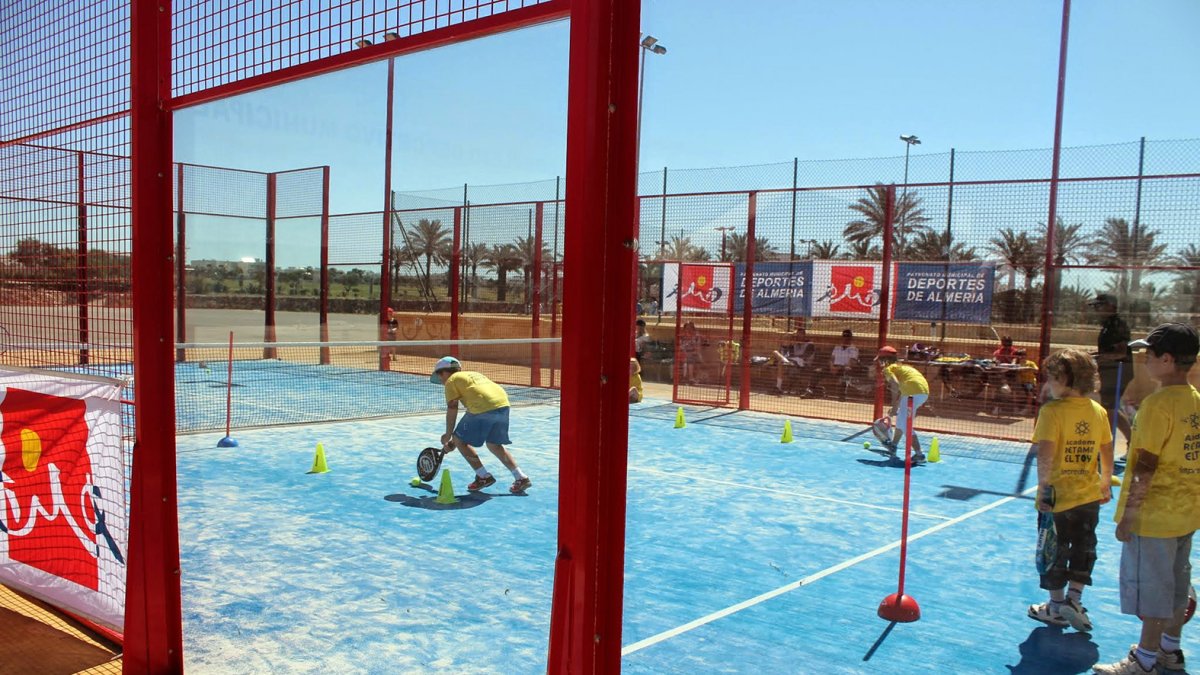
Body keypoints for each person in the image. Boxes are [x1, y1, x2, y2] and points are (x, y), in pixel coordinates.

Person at [1094, 323, 1200, 675]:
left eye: (1149, 354)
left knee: (1154, 590)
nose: (1144, 359)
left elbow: (1146, 465)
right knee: (1176, 585)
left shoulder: (1156, 405)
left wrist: (1129, 515)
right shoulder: (1195, 399)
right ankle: (1169, 650)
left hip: (1154, 516)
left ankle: (1145, 660)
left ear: (1167, 360)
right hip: (1186, 513)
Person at [1025, 349, 1113, 633]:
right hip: (1088, 496)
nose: (1047, 385)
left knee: (1053, 551)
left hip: (1059, 499)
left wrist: (1044, 490)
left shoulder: (1051, 412)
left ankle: (1056, 606)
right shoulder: (1097, 411)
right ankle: (1075, 600)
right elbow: (1107, 449)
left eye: (1051, 378)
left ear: (1064, 379)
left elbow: (1046, 454)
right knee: (1084, 548)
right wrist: (1106, 481)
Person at [430, 356, 532, 493]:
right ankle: (521, 477)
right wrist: (453, 441)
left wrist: (449, 435)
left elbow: (453, 408)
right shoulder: (473, 375)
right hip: (503, 404)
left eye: (439, 375)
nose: (441, 380)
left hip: (482, 408)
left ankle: (483, 476)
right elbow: (480, 398)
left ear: (443, 372)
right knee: (494, 444)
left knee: (460, 440)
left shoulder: (451, 381)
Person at [1091, 293, 1133, 444]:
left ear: (1111, 306)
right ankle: (1130, 441)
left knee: (1109, 409)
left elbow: (1121, 352)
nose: (1096, 309)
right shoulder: (1107, 325)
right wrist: (1096, 356)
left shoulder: (1117, 324)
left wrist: (1100, 358)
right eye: (1095, 306)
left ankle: (1114, 444)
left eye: (1099, 305)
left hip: (1118, 371)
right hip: (1109, 371)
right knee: (1110, 408)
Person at [875, 346, 928, 462]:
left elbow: (895, 385)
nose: (879, 363)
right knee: (901, 421)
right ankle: (893, 446)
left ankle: (919, 454)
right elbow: (903, 390)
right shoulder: (902, 367)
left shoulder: (888, 369)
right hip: (922, 393)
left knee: (905, 424)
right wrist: (896, 407)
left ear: (885, 360)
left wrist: (894, 407)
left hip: (913, 393)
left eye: (880, 359)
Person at [771, 326, 816, 395]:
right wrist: (790, 342)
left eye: (800, 334)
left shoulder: (810, 344)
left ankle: (785, 361)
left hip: (804, 364)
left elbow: (804, 356)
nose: (798, 336)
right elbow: (789, 353)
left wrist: (793, 357)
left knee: (782, 361)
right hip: (793, 362)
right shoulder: (795, 344)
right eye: (797, 334)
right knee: (777, 356)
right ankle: (778, 387)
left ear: (804, 335)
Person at [828, 329, 860, 400]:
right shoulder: (837, 347)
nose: (846, 338)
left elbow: (851, 363)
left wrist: (839, 368)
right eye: (844, 336)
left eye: (848, 336)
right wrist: (832, 367)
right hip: (834, 367)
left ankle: (842, 395)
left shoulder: (853, 349)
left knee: (846, 372)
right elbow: (831, 359)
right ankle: (810, 390)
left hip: (844, 368)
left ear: (851, 338)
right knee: (818, 371)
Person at [1014, 348, 1039, 415]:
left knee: (1029, 391)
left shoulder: (1030, 363)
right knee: (1014, 390)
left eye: (1023, 355)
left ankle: (1027, 409)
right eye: (1019, 355)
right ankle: (1016, 408)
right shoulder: (1016, 363)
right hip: (1020, 382)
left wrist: (1029, 368)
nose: (1021, 357)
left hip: (1029, 382)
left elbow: (1037, 370)